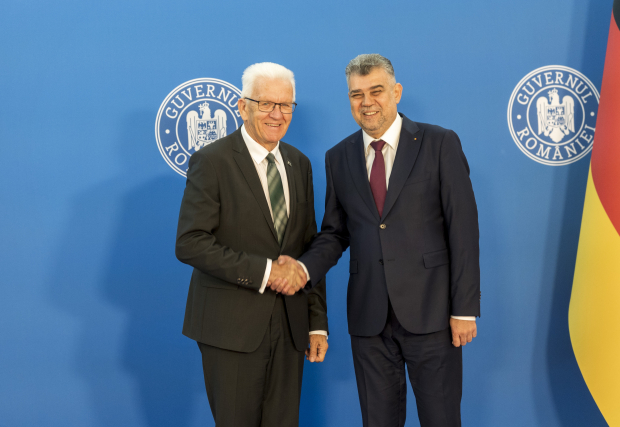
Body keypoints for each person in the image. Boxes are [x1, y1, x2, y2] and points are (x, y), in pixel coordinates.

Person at [280, 54, 480, 426]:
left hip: (432, 314)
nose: (367, 102)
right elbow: (336, 233)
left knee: (441, 419)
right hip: (369, 319)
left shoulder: (439, 143)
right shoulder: (338, 157)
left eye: (376, 91)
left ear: (396, 92)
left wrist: (463, 308)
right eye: (357, 94)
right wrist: (304, 268)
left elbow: (463, 229)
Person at [175, 62, 329, 427]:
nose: (277, 114)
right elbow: (190, 242)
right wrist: (265, 272)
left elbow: (309, 247)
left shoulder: (299, 163)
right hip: (231, 329)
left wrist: (316, 324)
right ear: (243, 107)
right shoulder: (211, 161)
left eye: (286, 105)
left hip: (291, 328)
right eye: (266, 104)